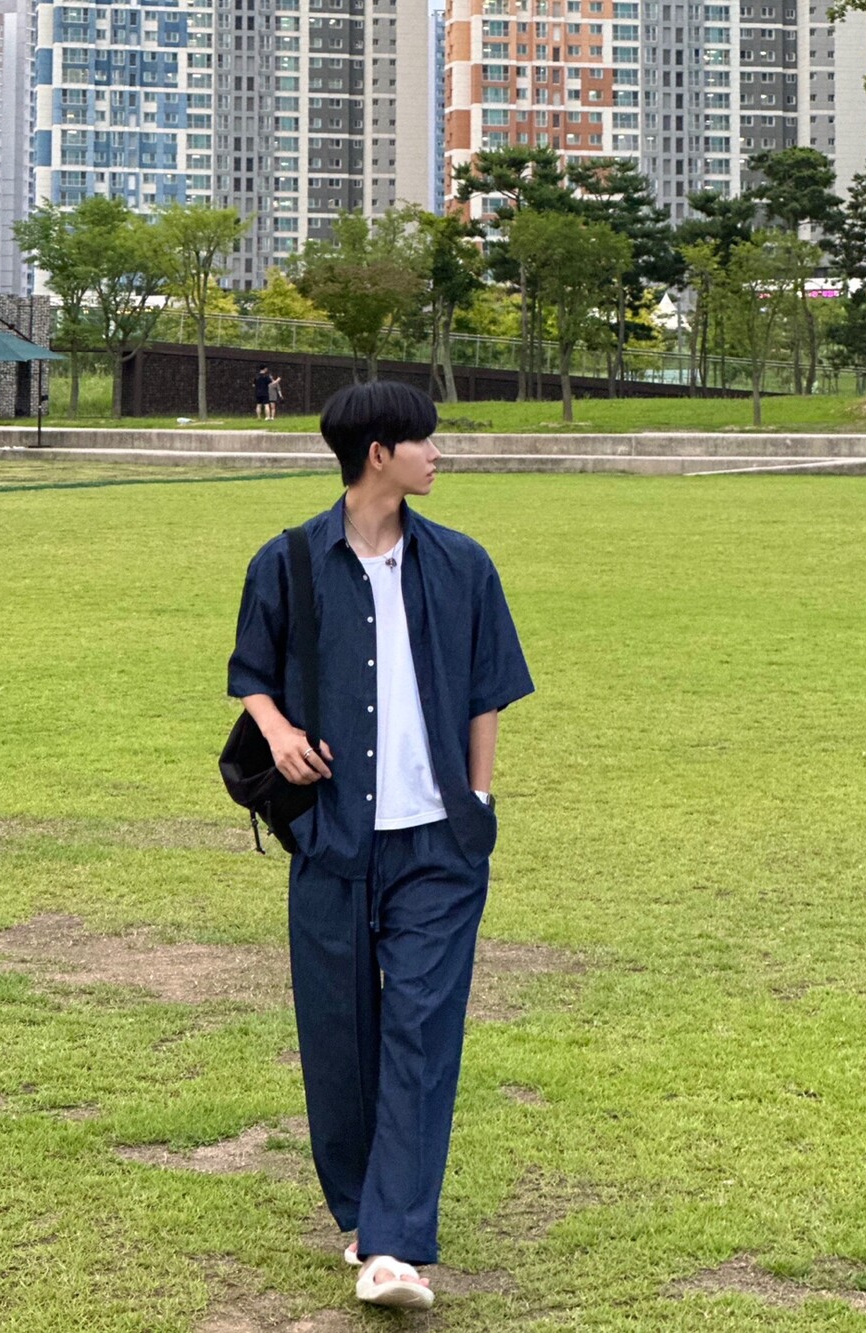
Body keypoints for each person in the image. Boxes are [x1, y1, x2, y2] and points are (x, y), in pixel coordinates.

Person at [227, 380, 533, 1312]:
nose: (439, 453)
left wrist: (478, 797)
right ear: (377, 455)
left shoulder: (464, 563)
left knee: (422, 1029)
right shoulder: (287, 561)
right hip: (332, 839)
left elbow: (487, 688)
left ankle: (395, 1245)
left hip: (440, 842)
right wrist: (278, 730)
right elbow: (250, 672)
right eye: (424, 440)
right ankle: (365, 1213)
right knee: (339, 1035)